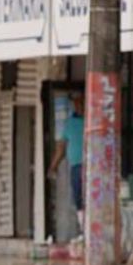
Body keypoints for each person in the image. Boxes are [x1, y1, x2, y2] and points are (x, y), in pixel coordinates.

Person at [48, 91, 86, 235]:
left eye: (81, 102)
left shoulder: (91, 122)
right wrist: (53, 166)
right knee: (79, 201)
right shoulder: (70, 123)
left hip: (92, 167)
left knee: (89, 200)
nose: (78, 106)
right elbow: (61, 148)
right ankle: (84, 231)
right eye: (76, 103)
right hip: (76, 167)